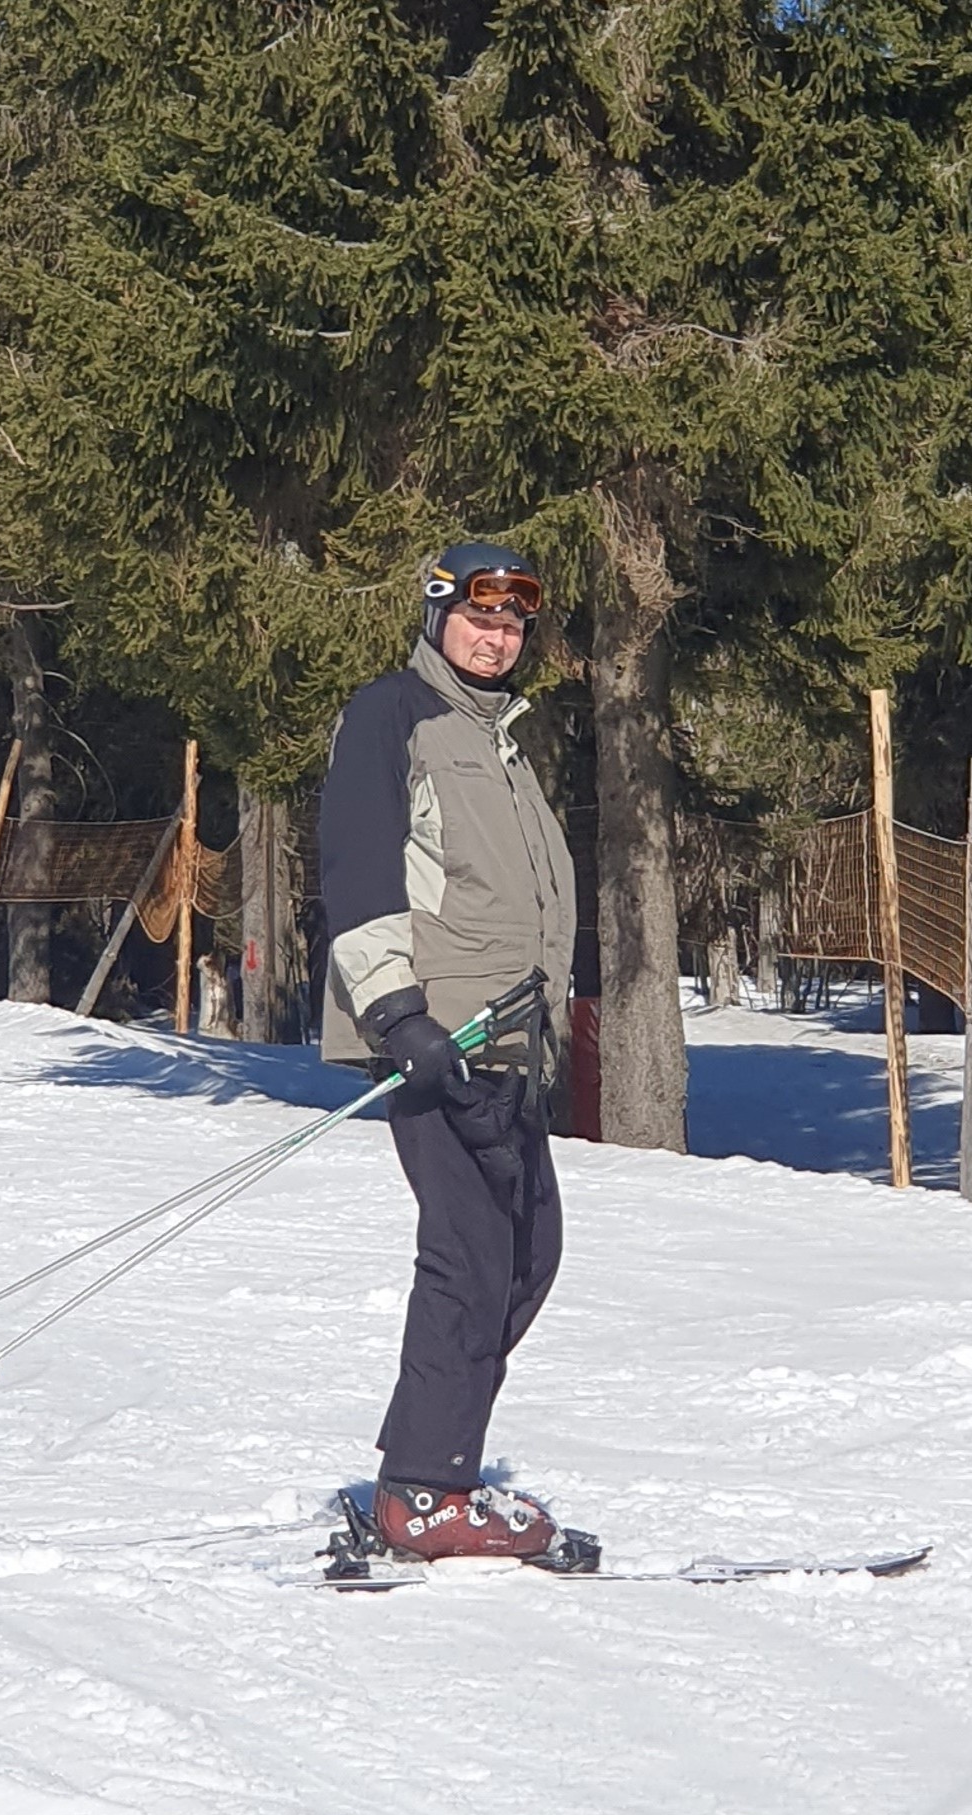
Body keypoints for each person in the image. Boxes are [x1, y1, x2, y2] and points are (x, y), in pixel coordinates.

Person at [318, 543, 578, 1560]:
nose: (496, 634)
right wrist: (398, 1017)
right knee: (471, 1258)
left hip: (508, 1041)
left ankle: (430, 1463)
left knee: (524, 1256)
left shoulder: (498, 737)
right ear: (436, 616)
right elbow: (359, 866)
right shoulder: (395, 716)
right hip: (443, 1036)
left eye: (512, 624)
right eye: (478, 616)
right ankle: (424, 1491)